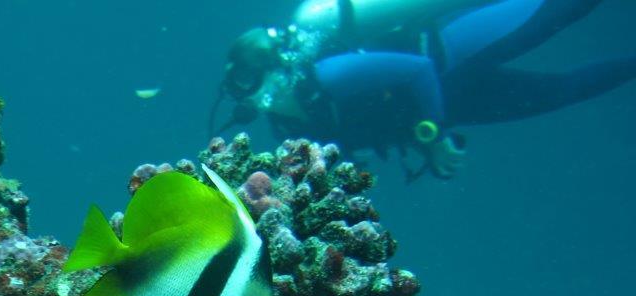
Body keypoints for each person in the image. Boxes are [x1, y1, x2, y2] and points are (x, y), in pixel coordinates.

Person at [217, 0, 636, 180]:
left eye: (247, 81)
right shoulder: (292, 126)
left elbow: (417, 69)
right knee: (564, 91)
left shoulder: (325, 77)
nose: (247, 95)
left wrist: (433, 137)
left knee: (557, 11)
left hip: (454, 52)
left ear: (271, 69)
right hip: (455, 100)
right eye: (237, 88)